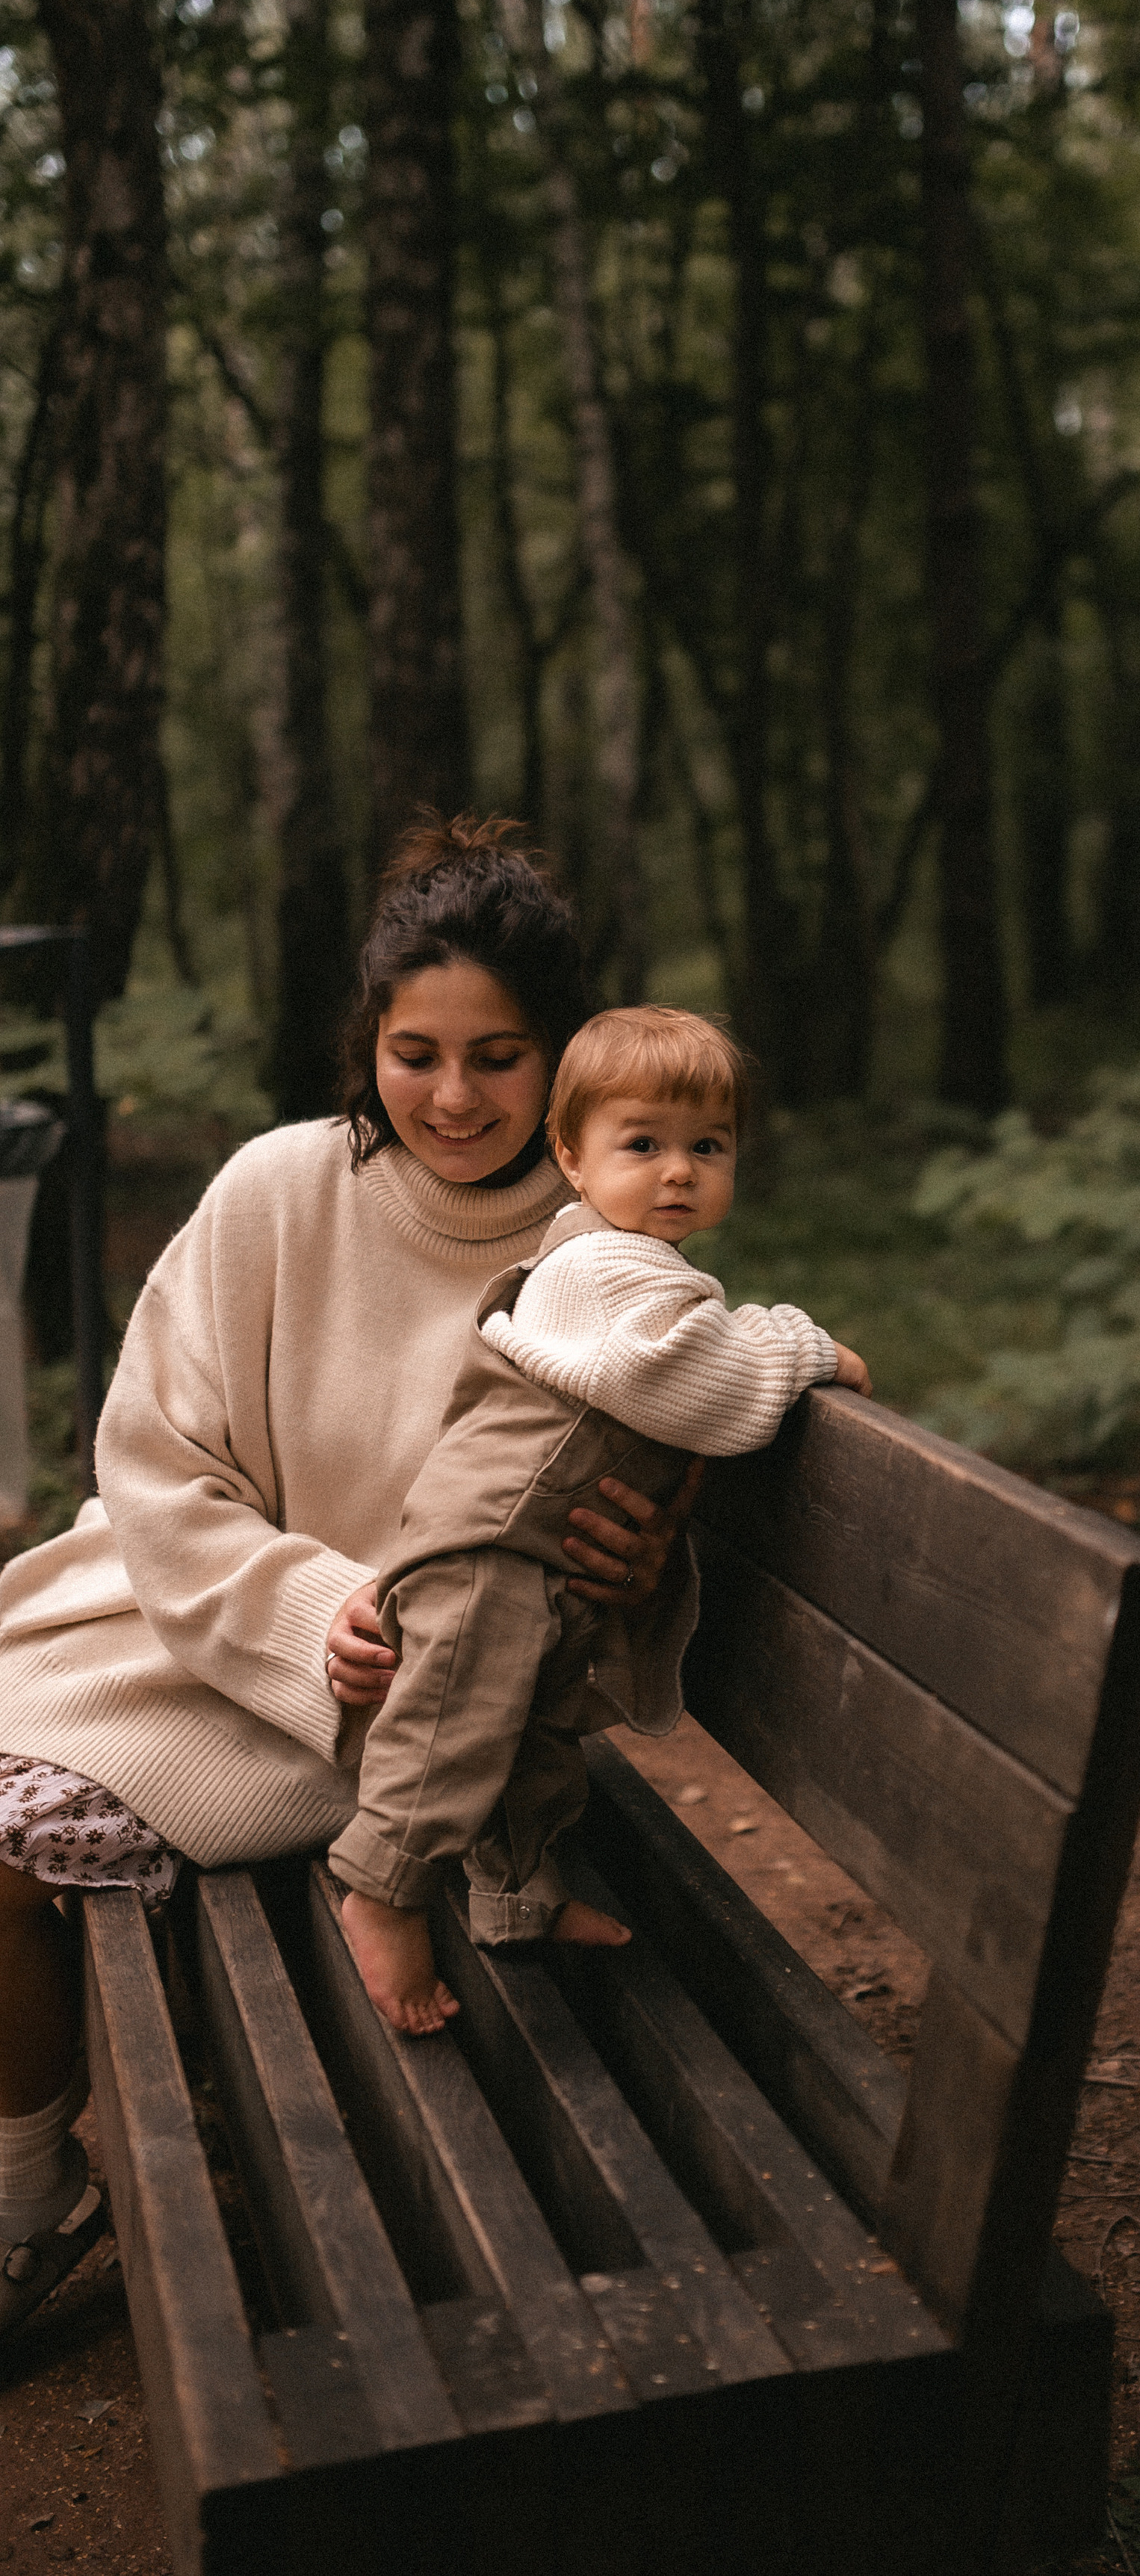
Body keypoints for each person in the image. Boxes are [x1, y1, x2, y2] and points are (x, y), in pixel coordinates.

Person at [0, 817, 681, 2341]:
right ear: (363, 1041)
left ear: (563, 1058)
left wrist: (648, 1555)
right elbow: (155, 1457)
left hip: (399, 1722)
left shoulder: (602, 1254)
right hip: (202, 1618)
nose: (452, 1096)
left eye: (498, 1056)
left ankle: (23, 2211)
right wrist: (305, 1604)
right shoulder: (278, 1188)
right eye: (415, 1050)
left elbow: (635, 1506)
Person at [330, 1005, 871, 2035]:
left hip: (526, 1549)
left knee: (527, 1736)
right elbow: (687, 1381)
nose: (678, 1170)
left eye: (706, 1146)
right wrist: (801, 1346)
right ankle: (383, 1886)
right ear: (571, 1156)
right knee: (453, 1723)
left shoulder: (630, 1263)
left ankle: (516, 1896)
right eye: (644, 1143)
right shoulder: (601, 1270)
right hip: (490, 1546)